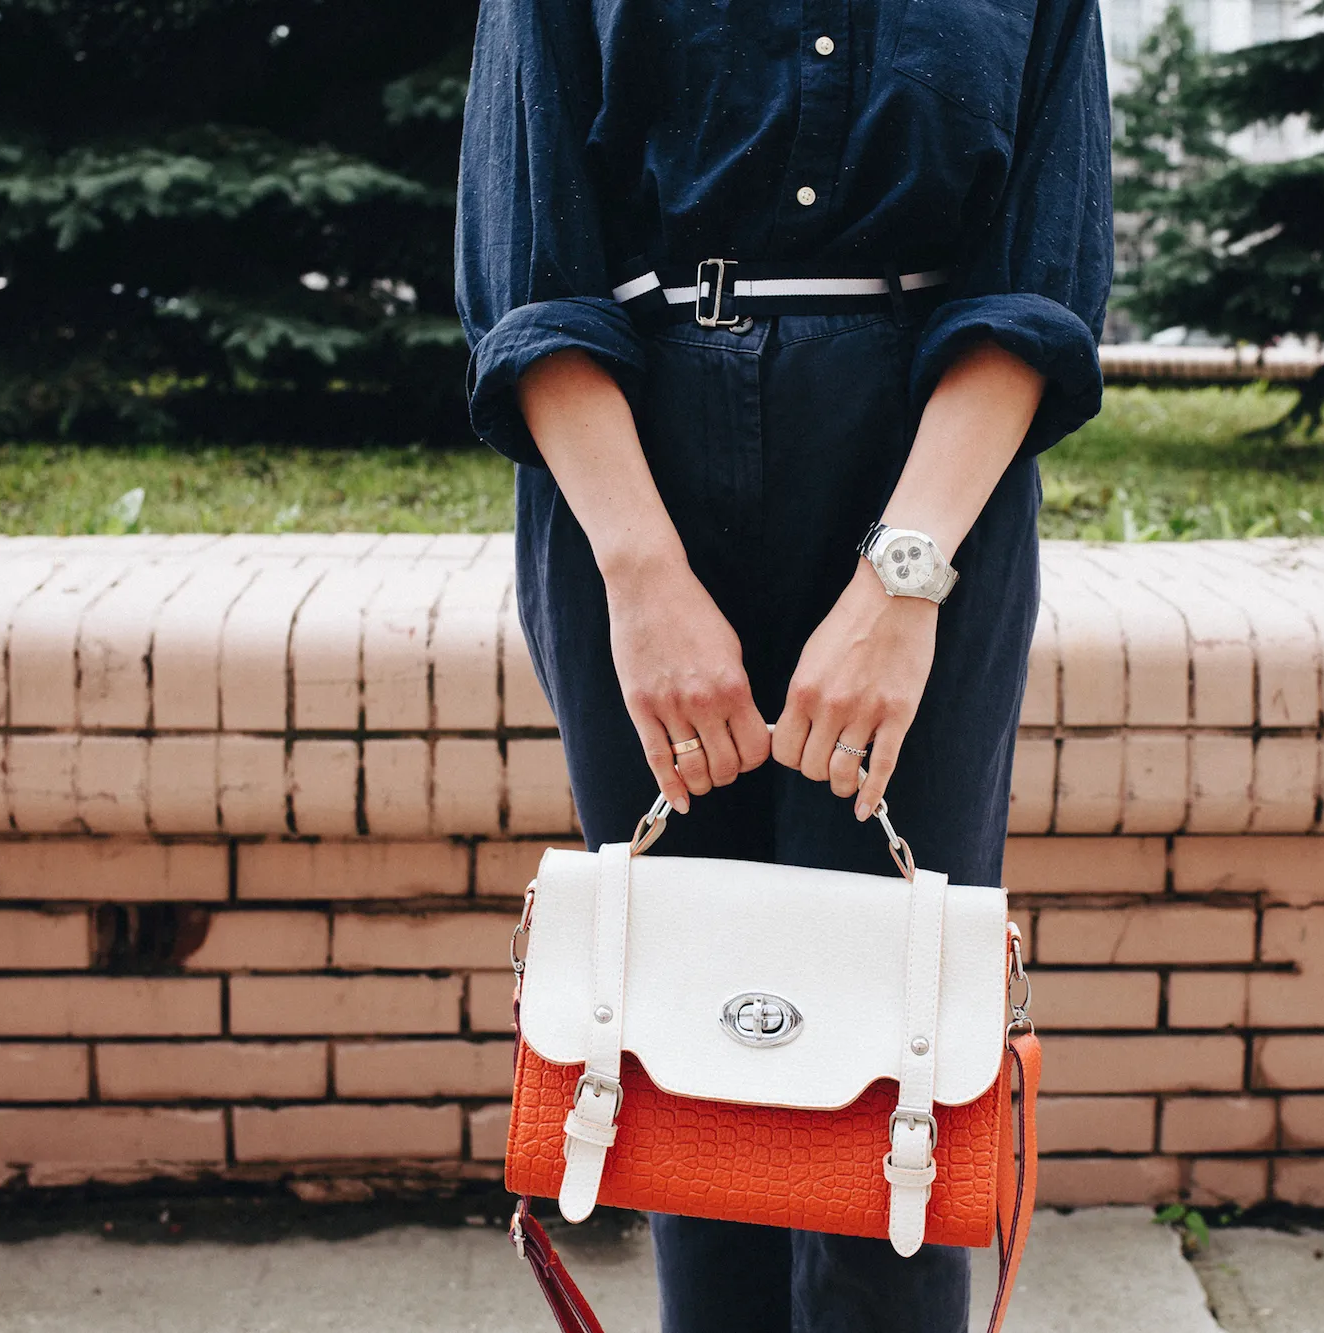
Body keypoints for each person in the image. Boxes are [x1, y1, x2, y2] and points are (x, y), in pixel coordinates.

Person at [455, 0, 1112, 1328]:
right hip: (633, 479)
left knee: (895, 1072)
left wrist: (899, 581)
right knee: (683, 1067)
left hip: (927, 481)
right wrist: (641, 581)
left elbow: (1039, 271)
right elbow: (532, 265)